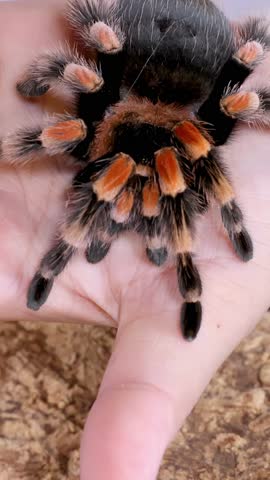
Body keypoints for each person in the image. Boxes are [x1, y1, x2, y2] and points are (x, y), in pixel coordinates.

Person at [0, 2, 269, 479]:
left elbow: (251, 88)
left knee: (228, 94)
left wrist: (232, 214)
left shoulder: (194, 138)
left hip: (181, 95)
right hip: (154, 82)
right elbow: (72, 69)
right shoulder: (98, 127)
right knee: (101, 53)